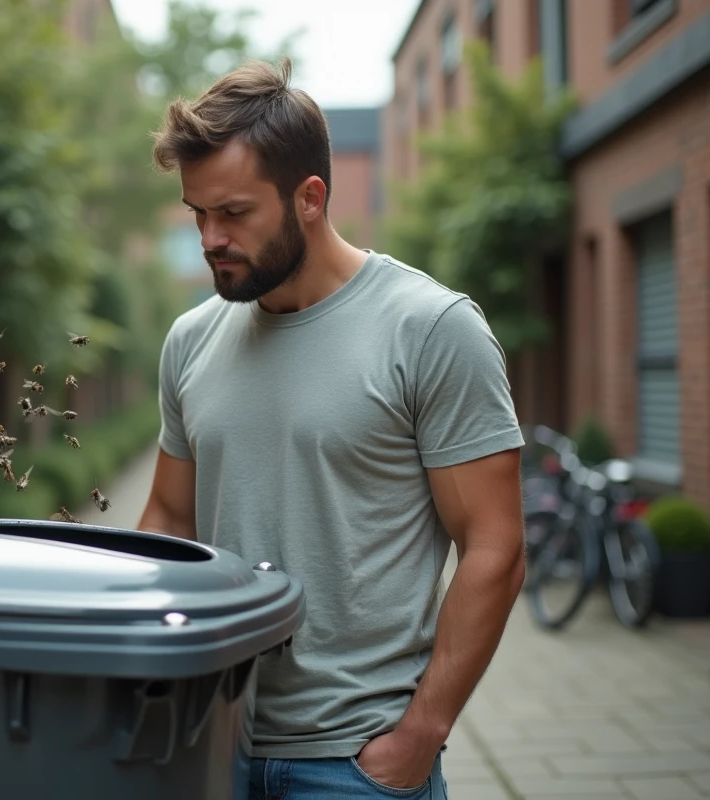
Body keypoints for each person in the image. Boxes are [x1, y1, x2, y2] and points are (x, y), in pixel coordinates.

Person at [136, 57, 527, 800]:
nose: (210, 237)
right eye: (198, 213)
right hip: (205, 742)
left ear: (309, 197)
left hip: (353, 760)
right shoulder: (191, 339)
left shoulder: (431, 329)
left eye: (234, 213)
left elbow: (496, 548)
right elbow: (168, 518)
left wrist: (422, 733)